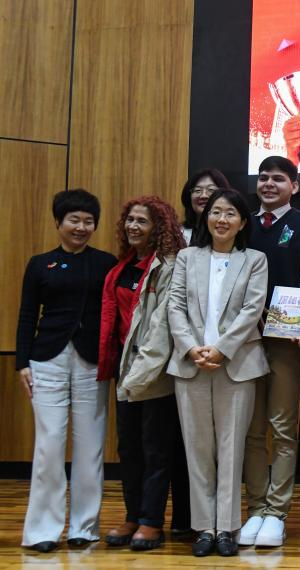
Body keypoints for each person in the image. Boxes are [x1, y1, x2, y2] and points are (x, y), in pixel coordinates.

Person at [167, 189, 269, 557]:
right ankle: (203, 528)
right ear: (205, 218)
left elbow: (252, 309)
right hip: (190, 363)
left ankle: (226, 527)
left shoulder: (254, 259)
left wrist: (221, 349)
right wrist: (191, 347)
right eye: (215, 212)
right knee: (197, 449)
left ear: (242, 222)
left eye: (230, 214)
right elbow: (174, 306)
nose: (221, 219)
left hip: (236, 364)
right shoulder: (187, 257)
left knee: (231, 448)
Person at [17, 189, 117, 553]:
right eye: (74, 220)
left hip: (93, 361)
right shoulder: (39, 264)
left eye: (89, 221)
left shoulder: (106, 263)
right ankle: (42, 531)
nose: (81, 227)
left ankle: (84, 529)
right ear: (58, 222)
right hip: (47, 360)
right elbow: (27, 314)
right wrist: (22, 362)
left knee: (91, 445)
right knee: (49, 444)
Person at [97, 196, 187, 551]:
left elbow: (162, 328)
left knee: (156, 450)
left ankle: (151, 522)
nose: (134, 226)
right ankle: (133, 515)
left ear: (158, 228)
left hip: (154, 373)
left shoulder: (169, 266)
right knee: (129, 449)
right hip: (125, 369)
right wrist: (124, 376)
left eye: (142, 221)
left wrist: (137, 376)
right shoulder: (122, 266)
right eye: (130, 220)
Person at [241, 156, 300, 548]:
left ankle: (276, 512)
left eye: (278, 178)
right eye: (263, 178)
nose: (269, 184)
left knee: (283, 428)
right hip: (242, 341)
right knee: (252, 430)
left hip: (287, 340)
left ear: (294, 186)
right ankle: (256, 508)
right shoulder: (241, 222)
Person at [179, 168, 230, 246]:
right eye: (197, 190)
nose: (203, 195)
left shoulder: (232, 231)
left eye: (211, 190)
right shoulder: (177, 233)